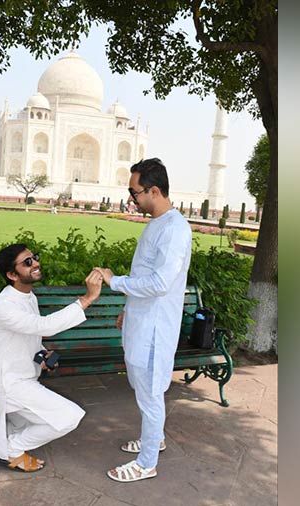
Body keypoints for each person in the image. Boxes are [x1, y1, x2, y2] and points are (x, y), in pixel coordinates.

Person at [0, 243, 104, 473]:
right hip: (11, 383)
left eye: (34, 257)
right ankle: (12, 451)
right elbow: (44, 326)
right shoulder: (4, 306)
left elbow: (32, 335)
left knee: (22, 425)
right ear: (11, 274)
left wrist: (42, 355)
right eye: (27, 262)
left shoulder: (28, 296)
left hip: (25, 378)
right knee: (69, 416)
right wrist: (87, 298)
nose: (35, 263)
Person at [92, 158, 193, 483]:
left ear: (153, 190)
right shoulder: (158, 224)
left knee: (150, 394)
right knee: (143, 390)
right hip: (141, 321)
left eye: (134, 192)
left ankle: (147, 461)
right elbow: (146, 277)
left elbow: (161, 283)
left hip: (154, 331)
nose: (131, 199)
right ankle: (156, 439)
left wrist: (114, 281)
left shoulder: (175, 230)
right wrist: (128, 308)